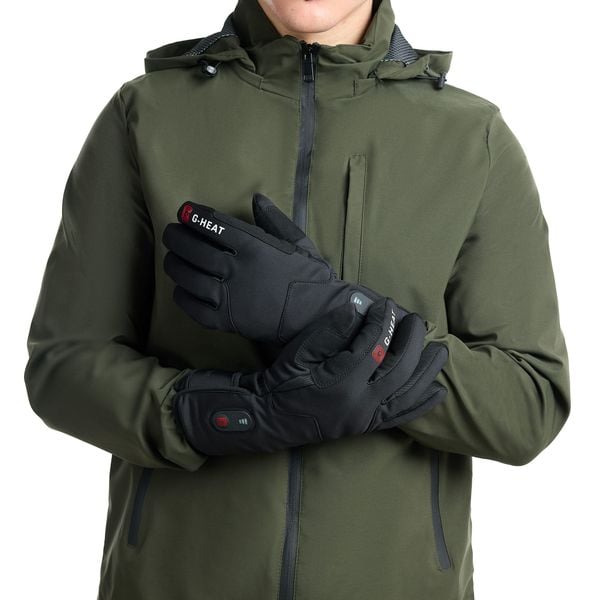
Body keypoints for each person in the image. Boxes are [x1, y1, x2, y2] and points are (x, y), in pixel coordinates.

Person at [23, 0, 570, 598]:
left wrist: (336, 316)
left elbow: (528, 404)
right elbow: (64, 367)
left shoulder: (472, 137)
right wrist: (237, 413)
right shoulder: (147, 114)